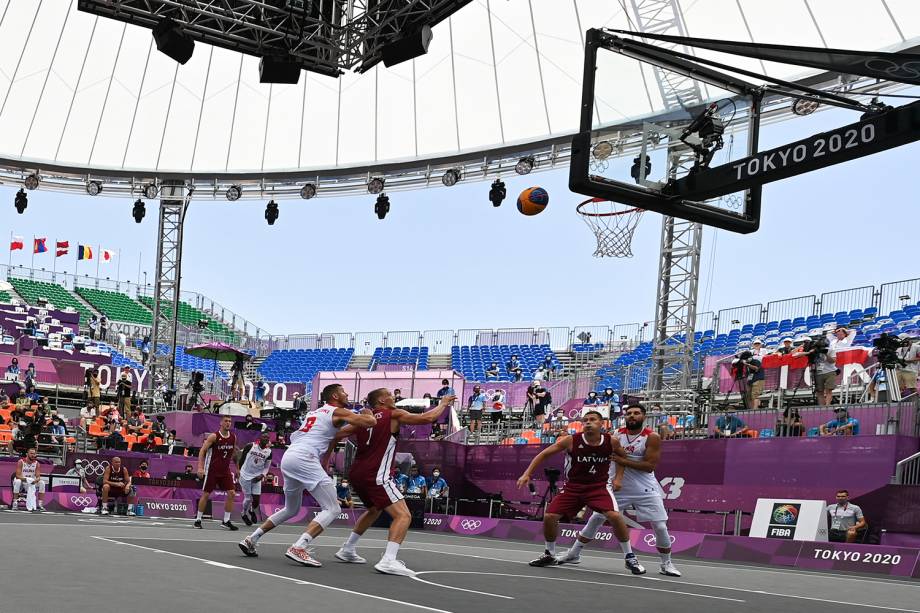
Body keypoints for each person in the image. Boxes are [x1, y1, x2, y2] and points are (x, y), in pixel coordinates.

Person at [238, 384, 376, 566]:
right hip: (304, 458)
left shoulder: (315, 413)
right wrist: (367, 412)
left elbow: (334, 434)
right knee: (333, 508)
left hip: (290, 457)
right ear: (335, 396)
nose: (347, 393)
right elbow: (370, 422)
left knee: (291, 509)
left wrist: (326, 459)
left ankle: (252, 539)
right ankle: (299, 546)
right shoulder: (337, 410)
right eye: (344, 391)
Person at [332, 389, 455, 576]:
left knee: (374, 509)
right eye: (389, 394)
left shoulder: (364, 419)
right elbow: (426, 418)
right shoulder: (393, 414)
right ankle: (389, 560)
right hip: (377, 475)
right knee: (404, 516)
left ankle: (347, 549)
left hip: (356, 474)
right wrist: (443, 403)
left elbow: (337, 434)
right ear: (382, 400)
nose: (393, 397)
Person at [558, 404, 681, 577]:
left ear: (643, 417)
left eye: (636, 413)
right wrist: (615, 477)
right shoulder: (616, 435)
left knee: (660, 526)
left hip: (645, 488)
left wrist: (621, 460)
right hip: (618, 486)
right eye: (629, 413)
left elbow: (649, 466)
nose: (632, 416)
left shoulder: (651, 437)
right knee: (596, 518)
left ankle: (666, 563)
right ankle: (573, 553)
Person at [516, 411, 645, 574]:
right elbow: (544, 454)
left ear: (602, 424)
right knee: (550, 516)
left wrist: (618, 478)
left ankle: (630, 557)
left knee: (615, 516)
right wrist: (527, 473)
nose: (588, 423)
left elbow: (622, 458)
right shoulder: (571, 440)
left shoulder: (611, 441)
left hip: (598, 487)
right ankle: (549, 554)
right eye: (585, 420)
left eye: (592, 420)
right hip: (573, 487)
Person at [194, 415, 239, 530]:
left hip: (225, 470)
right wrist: (200, 467)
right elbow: (202, 451)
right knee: (206, 494)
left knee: (232, 493)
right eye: (226, 421)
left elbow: (233, 453)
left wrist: (237, 468)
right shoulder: (214, 436)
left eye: (230, 421)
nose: (228, 423)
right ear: (221, 423)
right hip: (211, 470)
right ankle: (198, 519)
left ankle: (226, 520)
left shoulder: (233, 437)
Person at [238, 433, 273, 526]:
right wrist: (239, 471)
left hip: (257, 477)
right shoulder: (250, 446)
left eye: (267, 438)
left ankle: (252, 510)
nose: (266, 439)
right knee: (248, 498)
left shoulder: (269, 452)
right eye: (264, 437)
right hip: (245, 475)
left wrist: (262, 475)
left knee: (256, 500)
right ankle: (244, 514)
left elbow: (266, 467)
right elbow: (241, 459)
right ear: (260, 438)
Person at [793, 336, 837, 406]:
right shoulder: (815, 350)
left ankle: (827, 406)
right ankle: (821, 407)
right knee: (819, 391)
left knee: (829, 390)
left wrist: (825, 354)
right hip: (818, 373)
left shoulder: (831, 350)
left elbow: (833, 361)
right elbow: (794, 355)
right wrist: (809, 352)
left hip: (830, 372)